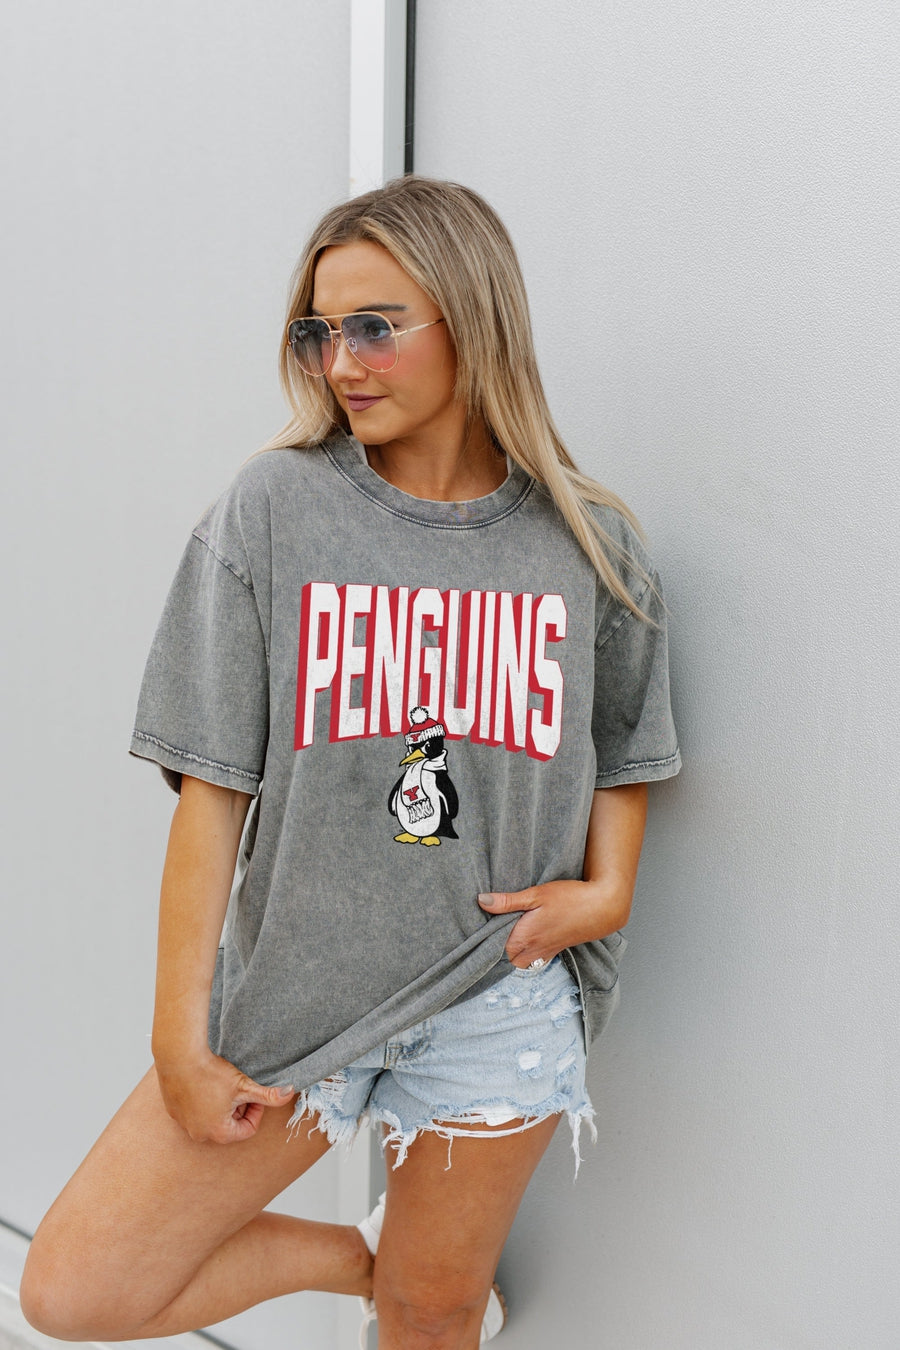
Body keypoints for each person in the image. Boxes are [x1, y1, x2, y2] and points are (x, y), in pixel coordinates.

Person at [21, 176, 680, 1350]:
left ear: (472, 321)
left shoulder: (587, 540)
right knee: (78, 1292)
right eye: (319, 333)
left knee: (434, 1316)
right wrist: (178, 1037)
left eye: (375, 327)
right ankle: (372, 1262)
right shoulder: (275, 509)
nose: (341, 364)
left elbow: (625, 742)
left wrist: (609, 891)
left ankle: (418, 1283)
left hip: (497, 989)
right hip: (299, 992)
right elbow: (210, 794)